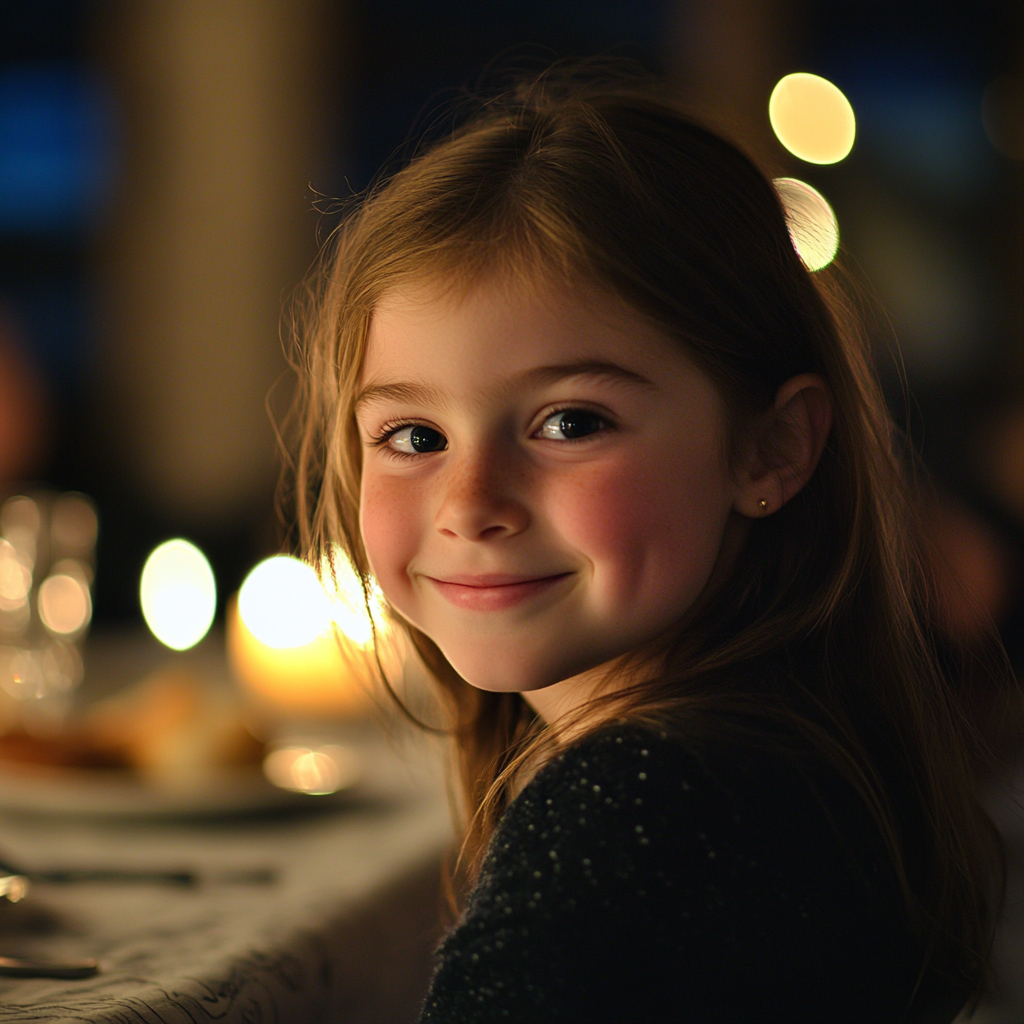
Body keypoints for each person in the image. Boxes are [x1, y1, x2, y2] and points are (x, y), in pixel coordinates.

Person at [288, 70, 1016, 1023]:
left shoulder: (640, 813)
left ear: (772, 447)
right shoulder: (781, 756)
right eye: (415, 437)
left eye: (570, 422)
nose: (471, 505)